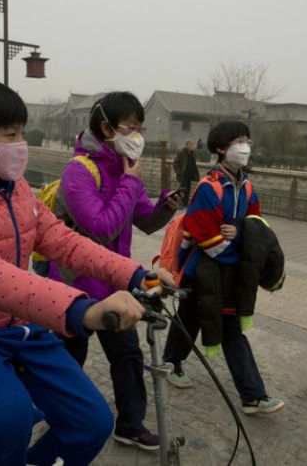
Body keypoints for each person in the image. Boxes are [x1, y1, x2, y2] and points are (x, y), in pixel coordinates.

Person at [0, 80, 154, 466]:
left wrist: (136, 274)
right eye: (11, 134)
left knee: (92, 421)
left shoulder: (14, 187)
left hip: (18, 325)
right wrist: (79, 309)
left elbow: (62, 240)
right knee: (7, 418)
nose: (20, 143)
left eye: (22, 132)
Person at [48, 92, 183, 450]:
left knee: (128, 357)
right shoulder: (79, 171)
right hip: (73, 287)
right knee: (69, 361)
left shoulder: (125, 165)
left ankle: (130, 424)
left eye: (141, 128)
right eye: (131, 127)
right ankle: (66, 424)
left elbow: (143, 220)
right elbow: (101, 228)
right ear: (106, 127)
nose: (138, 135)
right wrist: (131, 183)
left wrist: (166, 207)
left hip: (115, 284)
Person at [160, 120, 284, 415]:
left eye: (247, 140)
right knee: (206, 322)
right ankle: (251, 396)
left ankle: (250, 395)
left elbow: (257, 228)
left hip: (229, 272)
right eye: (238, 141)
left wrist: (239, 234)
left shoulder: (247, 186)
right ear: (220, 148)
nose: (245, 146)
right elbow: (206, 237)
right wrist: (242, 252)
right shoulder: (208, 188)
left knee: (206, 322)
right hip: (203, 271)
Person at [173, 138, 201, 207]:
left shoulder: (193, 153)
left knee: (188, 190)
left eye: (192, 144)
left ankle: (185, 204)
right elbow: (175, 163)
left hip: (189, 175)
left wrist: (199, 145)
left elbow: (197, 152)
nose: (192, 146)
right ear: (186, 145)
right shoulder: (182, 152)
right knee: (182, 190)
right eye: (190, 144)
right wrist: (179, 172)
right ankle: (179, 203)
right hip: (183, 175)